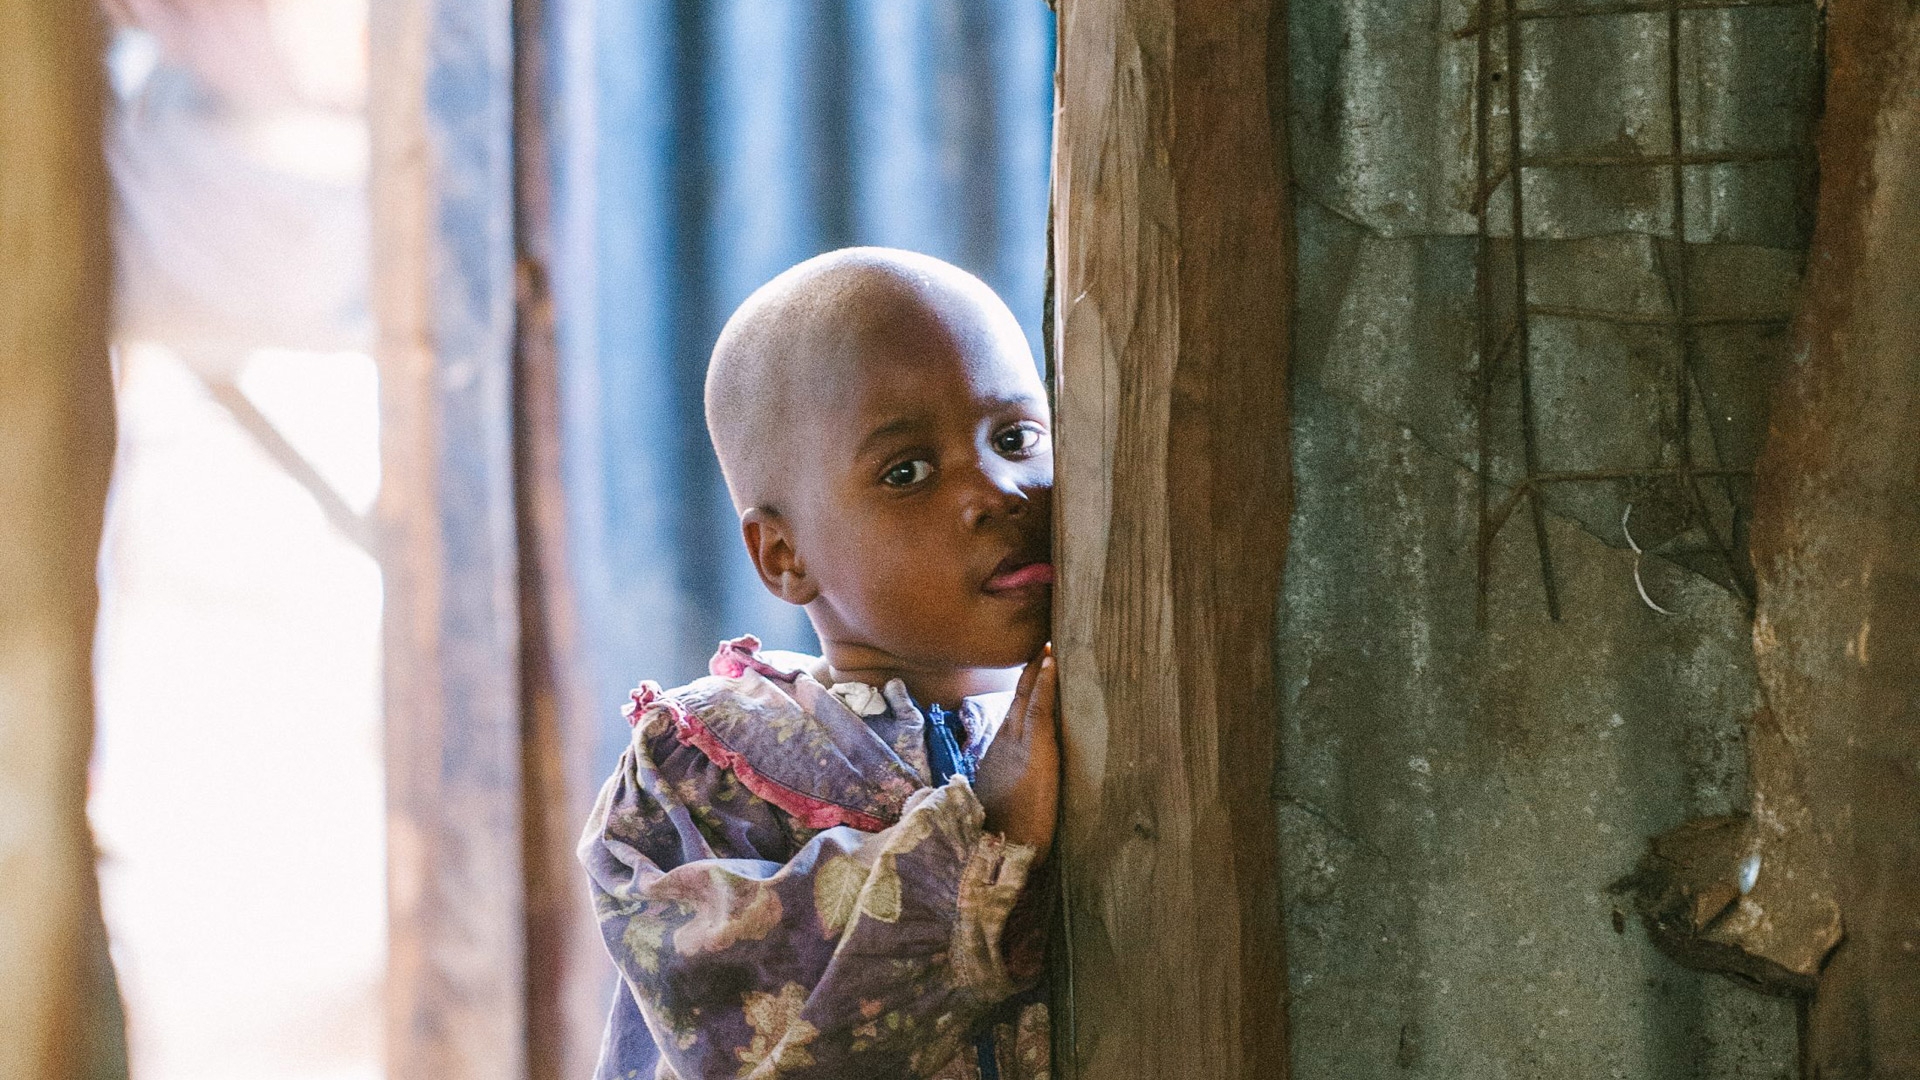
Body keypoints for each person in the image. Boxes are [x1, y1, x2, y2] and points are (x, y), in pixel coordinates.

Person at [579, 247, 1060, 1080]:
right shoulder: (709, 765)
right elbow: (742, 1019)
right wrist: (989, 836)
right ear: (783, 555)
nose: (998, 489)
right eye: (907, 471)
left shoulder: (1090, 710)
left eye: (1015, 436)